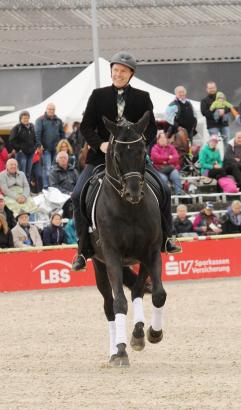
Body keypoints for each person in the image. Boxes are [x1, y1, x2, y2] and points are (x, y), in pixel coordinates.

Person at [72, 51, 181, 271]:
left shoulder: (142, 97)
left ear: (131, 74)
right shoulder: (97, 95)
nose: (118, 74)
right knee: (77, 195)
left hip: (133, 160)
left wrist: (140, 144)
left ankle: (168, 237)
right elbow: (85, 127)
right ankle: (83, 249)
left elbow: (151, 128)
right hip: (101, 158)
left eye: (123, 71)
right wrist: (100, 145)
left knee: (164, 188)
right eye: (115, 71)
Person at [35, 103, 65, 189]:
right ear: (46, 109)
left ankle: (54, 187)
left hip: (57, 149)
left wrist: (63, 145)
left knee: (55, 169)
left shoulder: (58, 120)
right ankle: (46, 187)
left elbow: (62, 134)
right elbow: (37, 134)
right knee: (47, 169)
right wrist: (39, 145)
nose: (51, 111)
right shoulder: (40, 120)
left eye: (53, 109)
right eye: (50, 109)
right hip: (45, 149)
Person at [150, 130, 182, 195]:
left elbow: (176, 157)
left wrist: (165, 161)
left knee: (176, 176)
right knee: (163, 179)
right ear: (158, 140)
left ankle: (179, 194)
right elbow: (156, 158)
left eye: (164, 138)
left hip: (171, 168)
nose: (163, 140)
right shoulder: (155, 148)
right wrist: (168, 158)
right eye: (161, 138)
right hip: (160, 169)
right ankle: (165, 196)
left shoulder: (171, 147)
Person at [9, 110, 37, 183]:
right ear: (20, 119)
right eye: (24, 118)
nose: (26, 119)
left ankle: (27, 189)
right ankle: (20, 189)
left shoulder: (32, 127)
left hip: (31, 152)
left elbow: (35, 138)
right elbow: (11, 140)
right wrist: (19, 149)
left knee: (28, 172)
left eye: (27, 118)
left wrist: (34, 147)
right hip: (21, 153)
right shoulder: (17, 127)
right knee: (21, 172)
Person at [49, 151, 78, 218]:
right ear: (57, 160)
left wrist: (74, 193)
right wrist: (68, 193)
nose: (63, 159)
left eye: (65, 157)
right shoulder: (53, 172)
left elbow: (78, 183)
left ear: (67, 159)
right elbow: (54, 186)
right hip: (61, 196)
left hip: (74, 194)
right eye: (61, 158)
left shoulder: (73, 170)